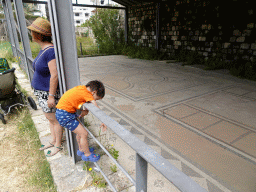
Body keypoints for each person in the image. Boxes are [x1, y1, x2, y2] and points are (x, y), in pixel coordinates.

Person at [27, 17, 63, 156]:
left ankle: (58, 145)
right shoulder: (44, 50)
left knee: (54, 119)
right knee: (50, 119)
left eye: (32, 32)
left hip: (47, 94)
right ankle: (53, 140)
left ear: (38, 35)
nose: (31, 35)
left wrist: (51, 96)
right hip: (41, 93)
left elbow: (54, 75)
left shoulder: (50, 51)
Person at [55, 80, 107, 162]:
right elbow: (95, 106)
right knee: (84, 133)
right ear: (93, 92)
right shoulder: (87, 94)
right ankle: (87, 154)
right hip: (65, 115)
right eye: (96, 99)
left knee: (80, 132)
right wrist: (103, 120)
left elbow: (81, 99)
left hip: (63, 113)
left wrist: (85, 110)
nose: (95, 100)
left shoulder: (82, 89)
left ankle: (81, 149)